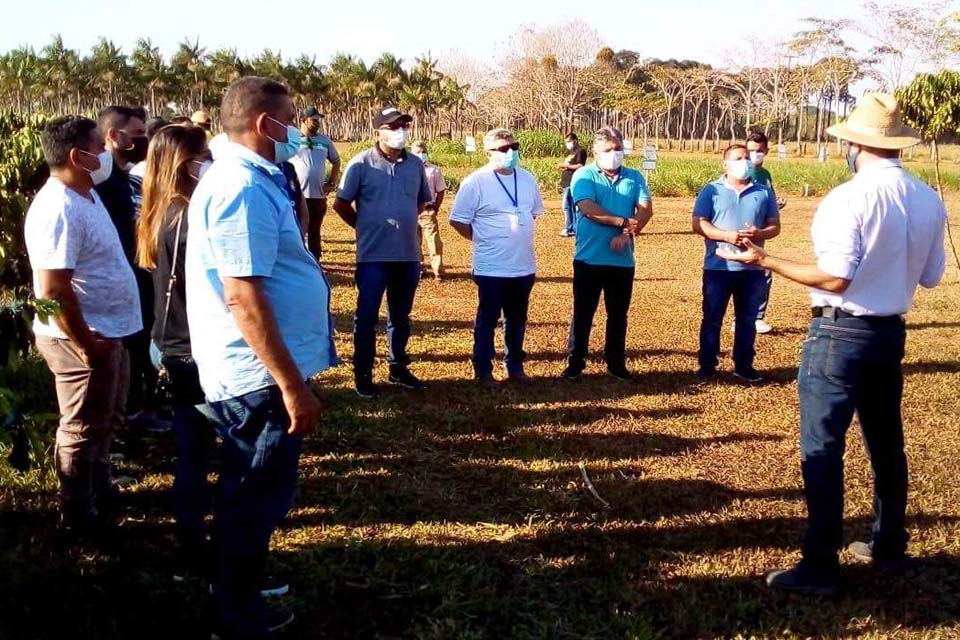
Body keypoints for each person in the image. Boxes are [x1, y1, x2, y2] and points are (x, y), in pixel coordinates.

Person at [719, 93, 946, 595]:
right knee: (886, 443)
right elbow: (931, 277)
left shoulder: (849, 197)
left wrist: (765, 261)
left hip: (839, 332)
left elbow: (835, 277)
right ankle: (888, 544)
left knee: (822, 447)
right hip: (889, 333)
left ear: (854, 144)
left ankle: (820, 563)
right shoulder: (929, 197)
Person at [185, 76, 336, 637]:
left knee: (255, 491)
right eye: (289, 119)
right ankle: (235, 612)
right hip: (257, 377)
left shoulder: (251, 179)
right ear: (267, 124)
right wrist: (291, 384)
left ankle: (239, 585)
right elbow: (242, 295)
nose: (297, 129)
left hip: (261, 373)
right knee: (252, 493)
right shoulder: (239, 188)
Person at [24, 116, 142, 543]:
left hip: (107, 333)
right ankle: (77, 515)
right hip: (80, 338)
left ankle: (99, 492)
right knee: (79, 428)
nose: (107, 155)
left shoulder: (84, 195)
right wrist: (87, 343)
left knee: (105, 420)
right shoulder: (58, 208)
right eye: (100, 147)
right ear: (79, 155)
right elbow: (54, 290)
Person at [134, 124, 216, 580]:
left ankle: (190, 539)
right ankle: (193, 546)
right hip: (192, 346)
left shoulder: (156, 210)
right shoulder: (188, 216)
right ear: (187, 163)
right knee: (199, 451)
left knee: (192, 450)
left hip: (168, 342)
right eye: (205, 154)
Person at [334, 106, 433, 399]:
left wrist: (403, 223)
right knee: (366, 317)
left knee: (400, 317)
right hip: (373, 257)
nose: (400, 131)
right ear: (378, 131)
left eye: (404, 126)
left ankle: (397, 367)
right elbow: (341, 204)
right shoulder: (361, 164)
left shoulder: (415, 165)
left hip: (407, 256)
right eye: (393, 127)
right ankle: (362, 374)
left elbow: (422, 201)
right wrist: (364, 227)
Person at [95, 106, 169, 436]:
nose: (144, 141)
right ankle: (128, 416)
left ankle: (141, 407)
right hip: (117, 282)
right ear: (114, 135)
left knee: (141, 346)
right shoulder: (101, 184)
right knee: (129, 350)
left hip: (138, 275)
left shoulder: (125, 178)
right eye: (138, 135)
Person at [450, 128, 544, 384]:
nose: (511, 152)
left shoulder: (527, 179)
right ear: (489, 152)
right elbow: (458, 221)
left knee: (517, 319)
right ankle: (483, 369)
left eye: (514, 146)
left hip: (523, 265)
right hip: (491, 266)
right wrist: (482, 237)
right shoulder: (475, 182)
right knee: (488, 319)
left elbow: (532, 213)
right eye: (503, 149)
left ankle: (515, 366)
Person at [562, 126, 653, 381]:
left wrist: (626, 233)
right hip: (588, 259)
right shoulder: (584, 175)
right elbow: (588, 208)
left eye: (618, 149)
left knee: (618, 315)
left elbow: (645, 209)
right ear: (595, 151)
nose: (614, 154)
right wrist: (622, 222)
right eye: (608, 150)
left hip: (622, 262)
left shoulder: (634, 177)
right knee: (583, 313)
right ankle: (575, 362)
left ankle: (615, 363)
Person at [692, 144, 781, 383]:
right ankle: (707, 365)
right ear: (726, 164)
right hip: (718, 267)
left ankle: (744, 364)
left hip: (751, 269)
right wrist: (726, 236)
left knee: (747, 319)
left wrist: (759, 232)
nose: (745, 161)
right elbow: (699, 223)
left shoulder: (763, 192)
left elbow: (775, 227)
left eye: (747, 157)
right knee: (712, 317)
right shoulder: (711, 190)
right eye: (738, 158)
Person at [743, 131, 787, 335]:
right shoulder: (743, 172)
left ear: (766, 151)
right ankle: (746, 317)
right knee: (754, 272)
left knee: (761, 272)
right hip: (743, 230)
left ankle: (755, 317)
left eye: (759, 151)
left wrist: (776, 206)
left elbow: (768, 199)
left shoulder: (765, 175)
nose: (755, 155)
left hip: (760, 233)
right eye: (751, 151)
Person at [289, 106, 340, 260]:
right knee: (297, 230)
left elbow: (336, 161)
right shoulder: (293, 140)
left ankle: (315, 261)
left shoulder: (324, 141)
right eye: (314, 120)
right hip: (298, 195)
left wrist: (331, 182)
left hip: (318, 196)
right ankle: (297, 261)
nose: (317, 123)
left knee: (314, 230)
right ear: (303, 120)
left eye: (318, 120)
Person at [412, 140, 446, 280]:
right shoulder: (407, 170)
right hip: (411, 211)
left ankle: (438, 271)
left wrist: (435, 207)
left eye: (423, 152)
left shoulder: (434, 170)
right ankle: (419, 268)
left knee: (433, 241)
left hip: (427, 210)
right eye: (418, 152)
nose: (421, 155)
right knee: (414, 242)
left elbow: (441, 190)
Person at [558, 132, 587, 238]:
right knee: (568, 205)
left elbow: (580, 165)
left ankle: (571, 228)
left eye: (569, 142)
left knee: (568, 205)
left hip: (572, 181)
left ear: (574, 141)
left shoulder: (580, 151)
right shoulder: (571, 152)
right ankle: (572, 227)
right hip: (566, 182)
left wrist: (566, 166)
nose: (567, 144)